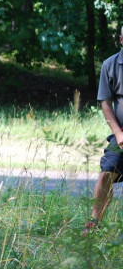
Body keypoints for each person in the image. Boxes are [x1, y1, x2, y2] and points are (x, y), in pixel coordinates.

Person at [84, 25, 123, 234]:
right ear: (121, 39)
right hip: (122, 134)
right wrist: (118, 133)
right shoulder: (110, 65)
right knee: (107, 172)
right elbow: (106, 104)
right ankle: (94, 225)